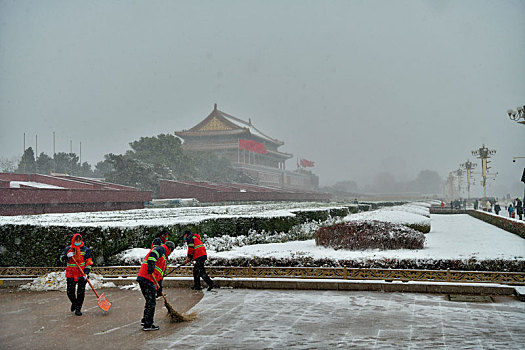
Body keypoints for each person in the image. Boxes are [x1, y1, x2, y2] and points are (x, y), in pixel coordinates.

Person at [136, 240, 176, 331]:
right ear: (170, 249)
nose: (170, 254)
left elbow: (160, 275)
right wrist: (151, 266)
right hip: (147, 278)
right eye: (171, 251)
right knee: (151, 302)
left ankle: (145, 320)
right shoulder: (161, 249)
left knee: (149, 301)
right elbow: (153, 255)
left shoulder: (163, 258)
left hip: (148, 280)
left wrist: (159, 287)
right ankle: (148, 325)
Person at [60, 233, 93, 316]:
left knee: (80, 292)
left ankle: (78, 308)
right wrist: (67, 256)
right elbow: (61, 259)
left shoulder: (85, 250)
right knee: (70, 292)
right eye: (76, 240)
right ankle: (74, 302)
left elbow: (88, 262)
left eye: (79, 240)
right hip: (71, 273)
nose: (77, 242)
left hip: (81, 274)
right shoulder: (68, 249)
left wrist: (86, 273)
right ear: (73, 240)